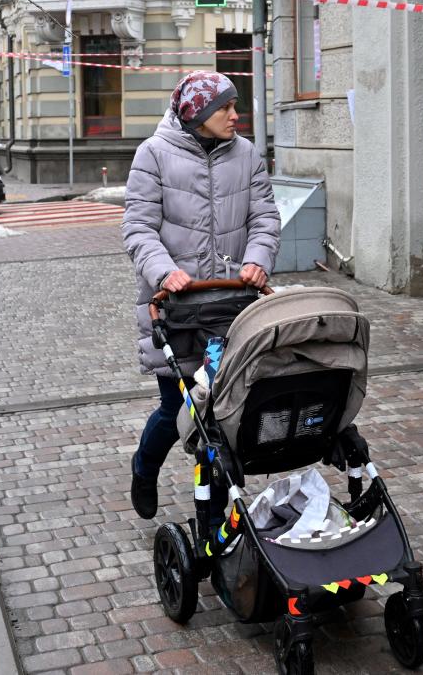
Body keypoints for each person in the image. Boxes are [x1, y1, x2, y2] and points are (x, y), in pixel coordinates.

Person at [122, 72, 280, 521]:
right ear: (197, 113)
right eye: (226, 108)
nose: (236, 115)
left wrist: (257, 259)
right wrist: (164, 271)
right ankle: (144, 466)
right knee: (178, 410)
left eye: (234, 106)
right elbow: (138, 228)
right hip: (175, 309)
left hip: (231, 307)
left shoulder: (247, 155)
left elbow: (265, 217)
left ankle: (216, 523)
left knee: (222, 416)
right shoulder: (153, 155)